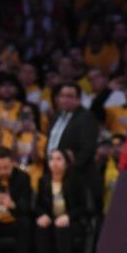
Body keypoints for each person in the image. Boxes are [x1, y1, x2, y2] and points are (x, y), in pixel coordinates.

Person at [34, 147, 90, 253]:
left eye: (59, 159)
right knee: (41, 227)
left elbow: (85, 207)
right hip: (51, 218)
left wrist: (68, 216)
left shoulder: (75, 181)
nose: (54, 163)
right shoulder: (44, 181)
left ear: (66, 163)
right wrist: (42, 215)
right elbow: (37, 205)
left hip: (73, 220)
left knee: (62, 228)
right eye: (51, 159)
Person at [47, 82, 100, 210]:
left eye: (70, 96)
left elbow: (88, 149)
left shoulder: (86, 117)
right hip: (54, 172)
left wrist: (70, 167)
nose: (65, 99)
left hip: (77, 176)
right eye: (62, 96)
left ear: (78, 99)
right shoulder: (56, 116)